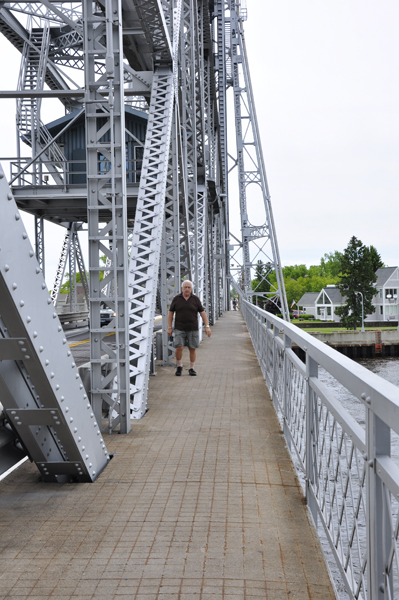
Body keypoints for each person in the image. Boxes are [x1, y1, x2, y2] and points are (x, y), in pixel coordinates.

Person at [167, 280, 211, 376]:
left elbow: (202, 313)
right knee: (179, 347)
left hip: (192, 328)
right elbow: (170, 313)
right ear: (182, 288)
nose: (187, 289)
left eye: (189, 287)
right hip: (179, 327)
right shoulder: (176, 299)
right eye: (185, 287)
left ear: (191, 289)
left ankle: (191, 368)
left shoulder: (195, 299)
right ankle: (179, 367)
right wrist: (169, 327)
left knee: (192, 348)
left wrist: (207, 326)